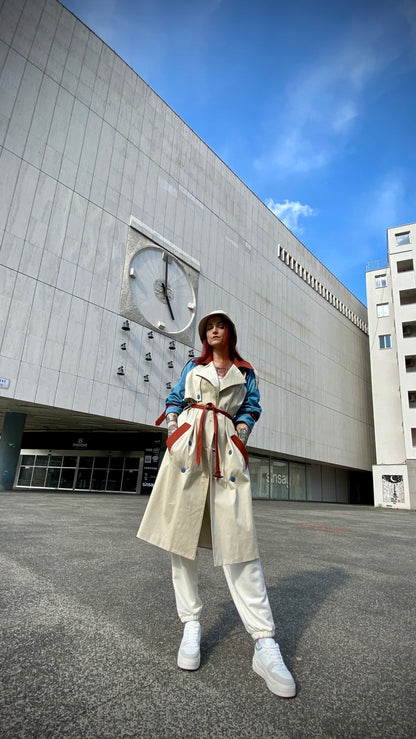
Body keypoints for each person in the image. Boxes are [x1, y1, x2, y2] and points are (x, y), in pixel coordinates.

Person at [137, 310, 296, 698]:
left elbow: (251, 407)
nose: (212, 331)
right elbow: (174, 399)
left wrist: (240, 436)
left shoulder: (246, 371)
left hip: (225, 449)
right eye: (207, 327)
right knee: (180, 539)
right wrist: (174, 432)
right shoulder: (193, 366)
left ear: (229, 331)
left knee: (241, 545)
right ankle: (191, 624)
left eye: (218, 325)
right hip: (190, 448)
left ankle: (264, 642)